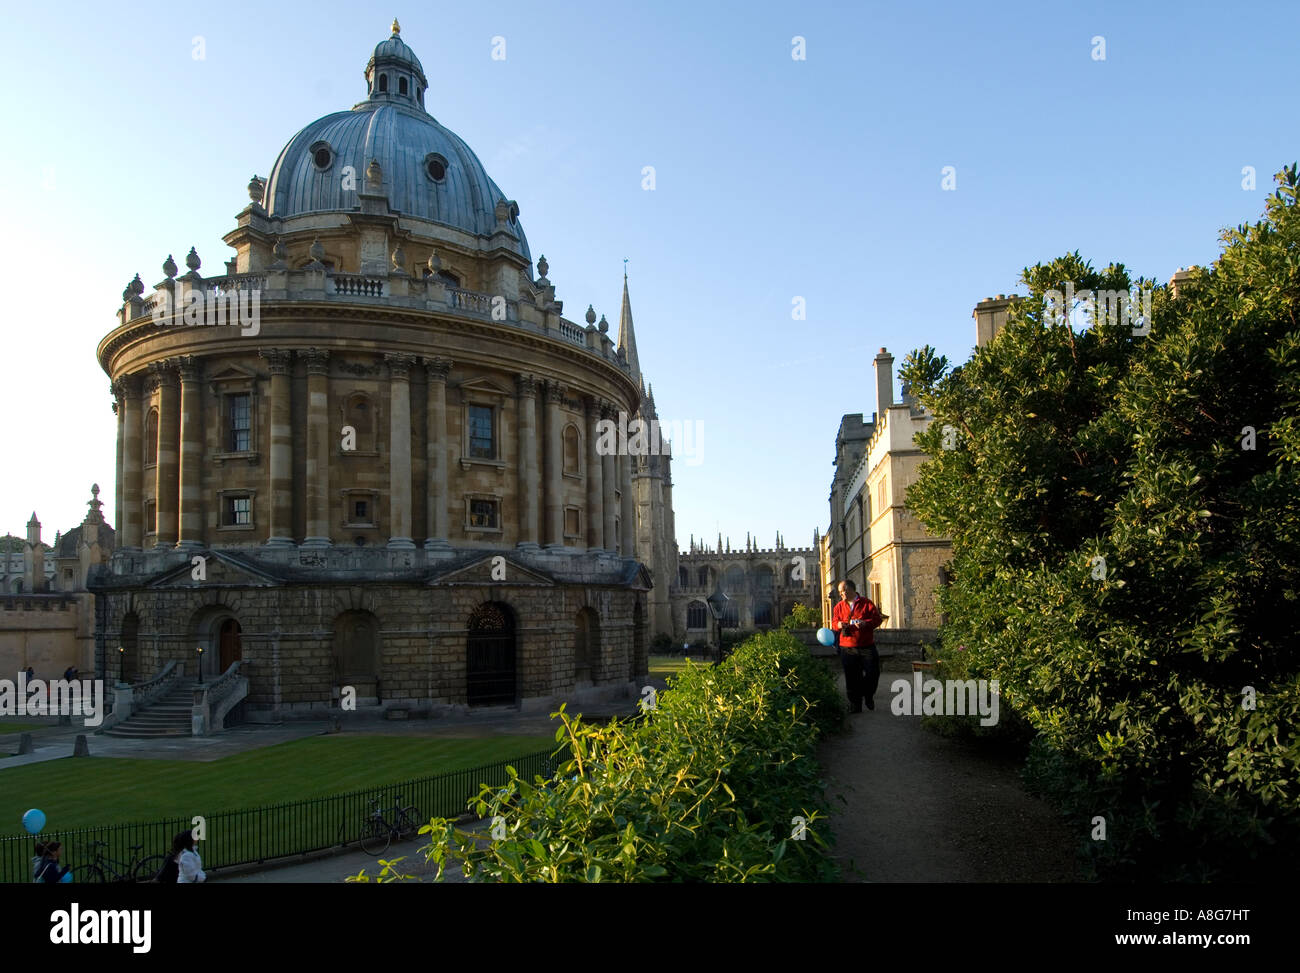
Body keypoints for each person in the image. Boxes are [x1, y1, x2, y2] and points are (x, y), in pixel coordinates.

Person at [831, 579, 884, 713]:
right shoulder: (838, 607)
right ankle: (855, 705)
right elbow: (834, 623)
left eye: (842, 591)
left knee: (873, 673)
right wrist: (838, 625)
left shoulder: (866, 603)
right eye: (839, 592)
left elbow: (877, 619)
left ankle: (868, 694)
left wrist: (865, 623)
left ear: (850, 589)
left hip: (866, 646)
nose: (840, 594)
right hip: (847, 647)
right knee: (852, 677)